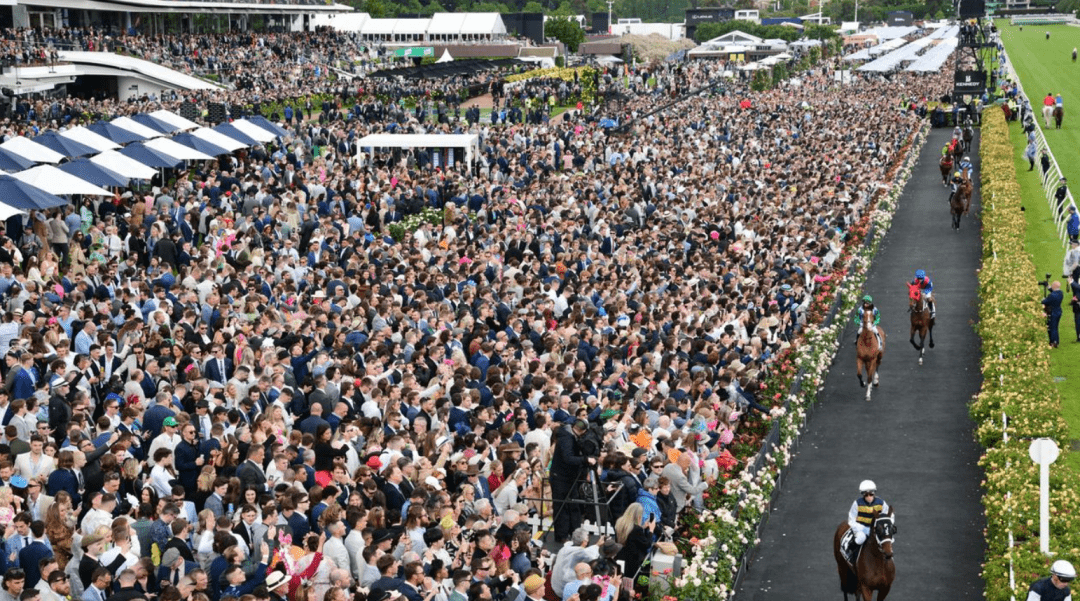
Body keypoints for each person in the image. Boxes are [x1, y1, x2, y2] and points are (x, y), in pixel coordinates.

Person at [549, 420, 594, 544]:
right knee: (562, 508)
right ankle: (562, 536)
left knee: (574, 507)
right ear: (581, 431)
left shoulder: (570, 436)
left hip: (570, 478)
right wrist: (586, 459)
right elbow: (568, 458)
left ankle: (575, 534)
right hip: (560, 478)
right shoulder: (566, 438)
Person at [843, 480, 891, 564]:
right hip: (862, 528)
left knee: (886, 539)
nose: (869, 497)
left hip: (876, 528)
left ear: (874, 493)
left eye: (871, 494)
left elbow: (888, 516)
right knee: (860, 539)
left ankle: (888, 556)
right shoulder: (857, 503)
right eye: (866, 494)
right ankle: (851, 554)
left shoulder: (881, 503)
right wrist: (859, 528)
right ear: (863, 494)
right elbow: (851, 519)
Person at [1044, 281, 1064, 348]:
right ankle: (1056, 341)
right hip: (1058, 311)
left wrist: (1043, 299)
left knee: (1052, 327)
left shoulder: (1052, 295)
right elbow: (1053, 291)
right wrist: (1048, 286)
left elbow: (1045, 301)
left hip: (1052, 312)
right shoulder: (1061, 293)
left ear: (1054, 286)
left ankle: (1053, 341)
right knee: (1056, 327)